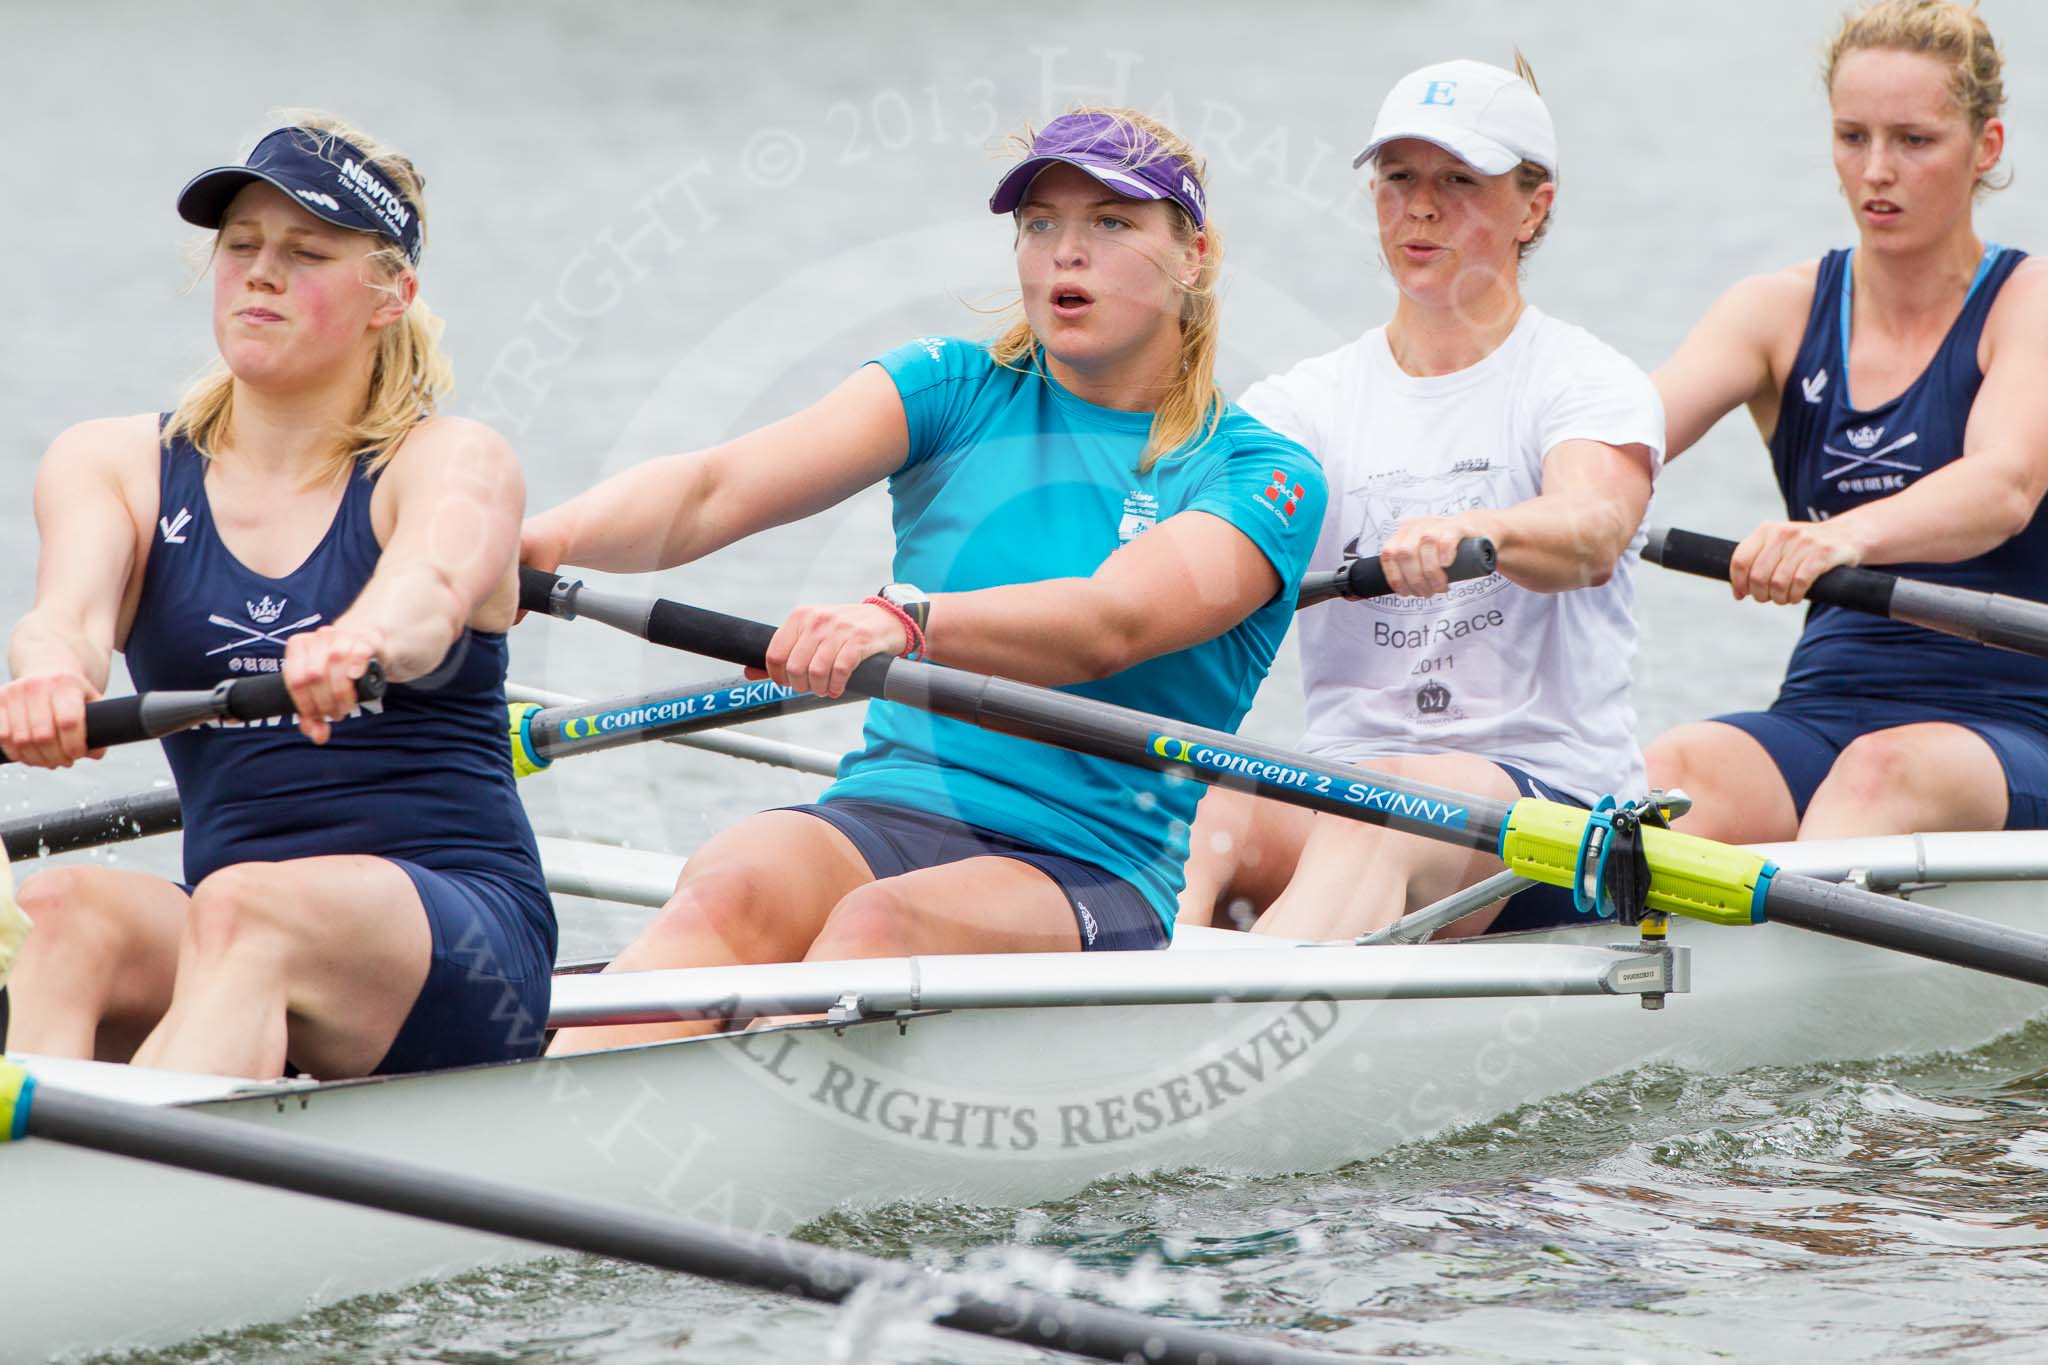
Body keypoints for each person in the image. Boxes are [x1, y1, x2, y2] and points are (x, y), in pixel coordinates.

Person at [526, 107, 1325, 1053]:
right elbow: (710, 490)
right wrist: (536, 542)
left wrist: (903, 622)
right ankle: (549, 1109)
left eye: (1112, 222)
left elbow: (1111, 622)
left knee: (876, 928)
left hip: (1087, 863)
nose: (1067, 253)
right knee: (734, 878)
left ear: (1193, 255)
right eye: (1040, 225)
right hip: (887, 805)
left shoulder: (1258, 474)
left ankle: (707, 1122)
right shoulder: (949, 391)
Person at [0, 114, 555, 1079]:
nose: (261, 273)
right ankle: (42, 1195)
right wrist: (49, 677)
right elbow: (68, 618)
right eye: (242, 246)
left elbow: (426, 590)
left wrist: (364, 637)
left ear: (394, 294)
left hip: (461, 941)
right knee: (54, 913)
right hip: (233, 925)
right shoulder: (115, 462)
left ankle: (95, 1202)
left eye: (307, 252)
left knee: (245, 907)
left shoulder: (452, 460)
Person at [1176, 58, 1663, 941]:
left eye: (1458, 181)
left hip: (1552, 816)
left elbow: (1592, 531)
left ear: (1534, 206)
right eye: (1398, 178)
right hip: (1346, 782)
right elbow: (1191, 556)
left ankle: (1230, 1038)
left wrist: (1477, 527)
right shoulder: (1300, 405)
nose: (1421, 207)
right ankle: (1132, 1012)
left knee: (1382, 807)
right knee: (1188, 804)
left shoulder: (1584, 381)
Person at [1645, 0, 2048, 843]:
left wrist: (1842, 536)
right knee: (1674, 773)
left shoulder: (2030, 304)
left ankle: (1795, 963)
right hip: (1825, 707)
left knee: (1877, 776)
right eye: (1852, 136)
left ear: (1987, 148)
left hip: (2013, 714)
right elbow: (1622, 437)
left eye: (1914, 140)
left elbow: (2003, 485)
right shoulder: (1774, 312)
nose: (1875, 171)